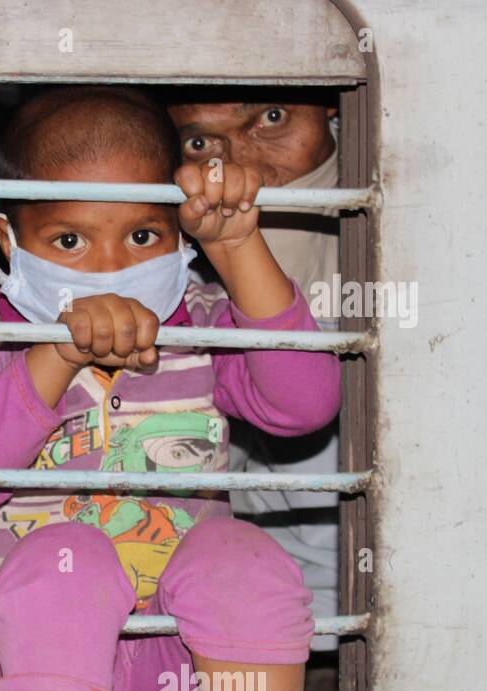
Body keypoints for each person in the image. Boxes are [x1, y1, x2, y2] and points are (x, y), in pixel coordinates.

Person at [0, 87, 339, 691]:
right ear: (9, 239)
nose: (109, 267)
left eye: (142, 233)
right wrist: (53, 358)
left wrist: (240, 248)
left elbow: (305, 405)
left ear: (180, 232)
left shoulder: (206, 321)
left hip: (186, 679)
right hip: (24, 682)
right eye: (69, 238)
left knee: (242, 553)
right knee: (63, 556)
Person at [166, 93, 343, 657]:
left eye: (271, 119)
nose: (243, 167)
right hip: (251, 631)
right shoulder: (175, 285)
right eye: (201, 144)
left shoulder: (411, 246)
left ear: (335, 114)